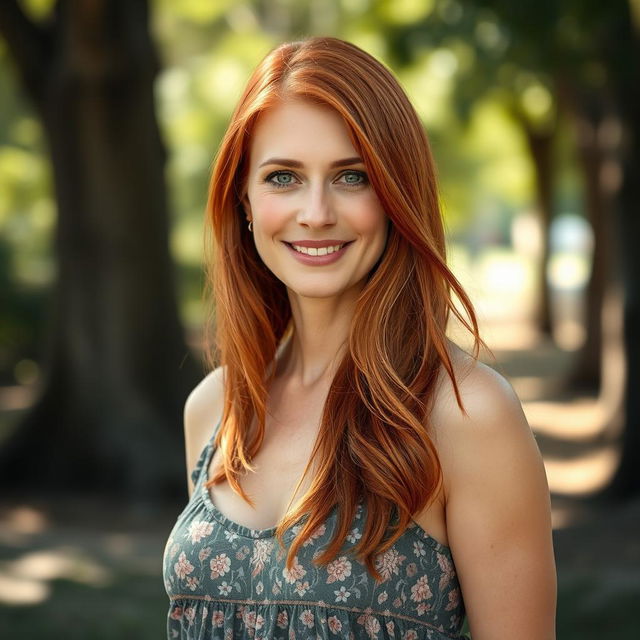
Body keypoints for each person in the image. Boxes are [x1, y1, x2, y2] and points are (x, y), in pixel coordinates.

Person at [162, 36, 557, 640]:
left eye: (351, 176)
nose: (316, 213)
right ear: (243, 198)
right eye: (283, 177)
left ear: (397, 196)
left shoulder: (466, 415)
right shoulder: (215, 408)